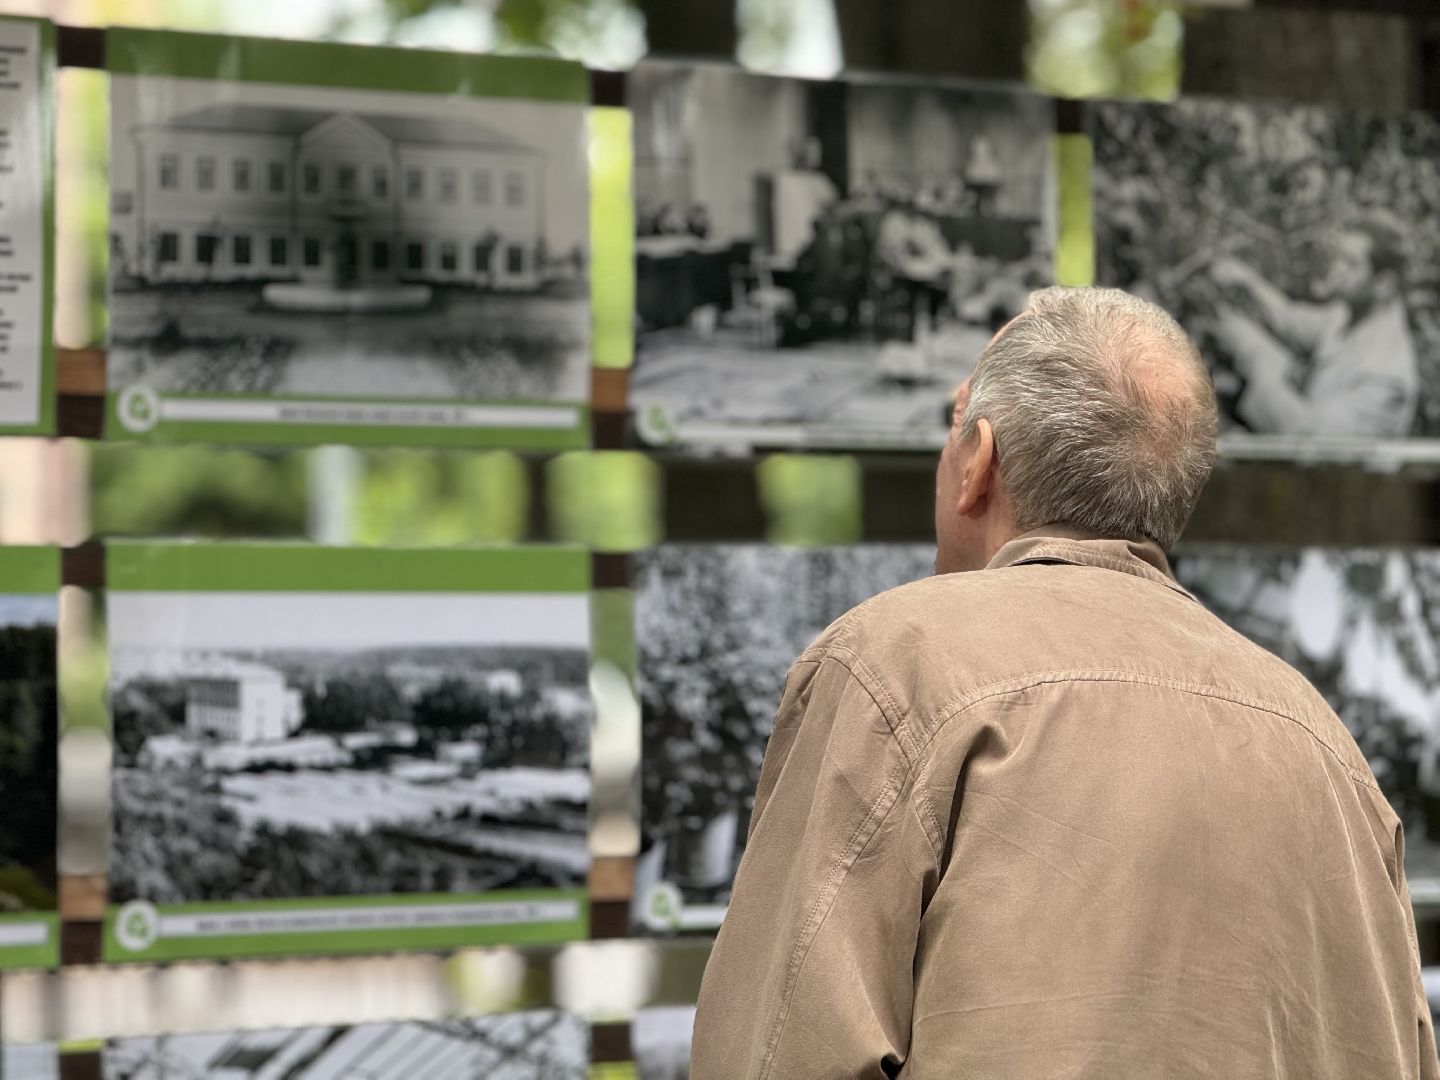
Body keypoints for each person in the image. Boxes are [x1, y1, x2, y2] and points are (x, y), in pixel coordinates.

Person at [690, 287, 1437, 1079]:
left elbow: (776, 1053)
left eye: (954, 431)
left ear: (977, 462)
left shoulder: (894, 664)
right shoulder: (1320, 740)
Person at [1209, 218, 1418, 437]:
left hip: (1330, 467)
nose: (1337, 270)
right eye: (1339, 259)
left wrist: (1258, 360)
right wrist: (1247, 282)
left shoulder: (1385, 375)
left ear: (1383, 283)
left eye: (1351, 263)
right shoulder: (1354, 317)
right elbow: (1294, 322)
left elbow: (1312, 439)